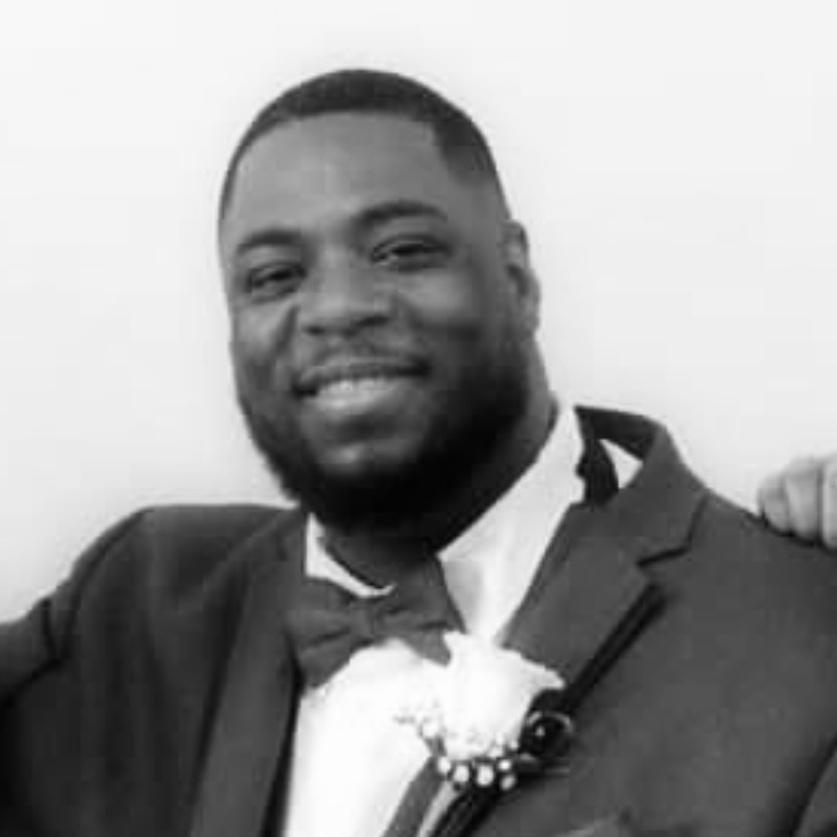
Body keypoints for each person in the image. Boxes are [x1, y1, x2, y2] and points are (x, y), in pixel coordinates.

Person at [2, 68, 837, 837]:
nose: (336, 307)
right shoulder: (138, 601)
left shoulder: (801, 628)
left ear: (517, 278)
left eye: (401, 251)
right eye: (273, 275)